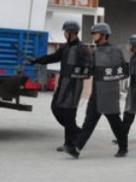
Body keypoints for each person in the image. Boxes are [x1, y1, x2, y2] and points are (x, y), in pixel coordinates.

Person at [64, 23, 129, 159]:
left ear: (104, 35)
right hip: (97, 92)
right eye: (93, 33)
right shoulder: (95, 51)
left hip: (109, 92)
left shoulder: (114, 50)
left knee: (115, 121)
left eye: (96, 33)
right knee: (89, 121)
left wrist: (95, 57)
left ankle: (123, 147)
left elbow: (122, 69)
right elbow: (92, 70)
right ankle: (76, 148)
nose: (93, 36)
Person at [30, 21, 91, 152]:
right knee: (55, 108)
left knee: (69, 115)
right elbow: (53, 57)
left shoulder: (82, 49)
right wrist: (36, 60)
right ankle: (78, 132)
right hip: (63, 85)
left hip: (74, 87)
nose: (64, 34)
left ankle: (69, 144)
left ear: (72, 33)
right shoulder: (65, 48)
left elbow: (88, 68)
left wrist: (78, 75)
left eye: (65, 32)